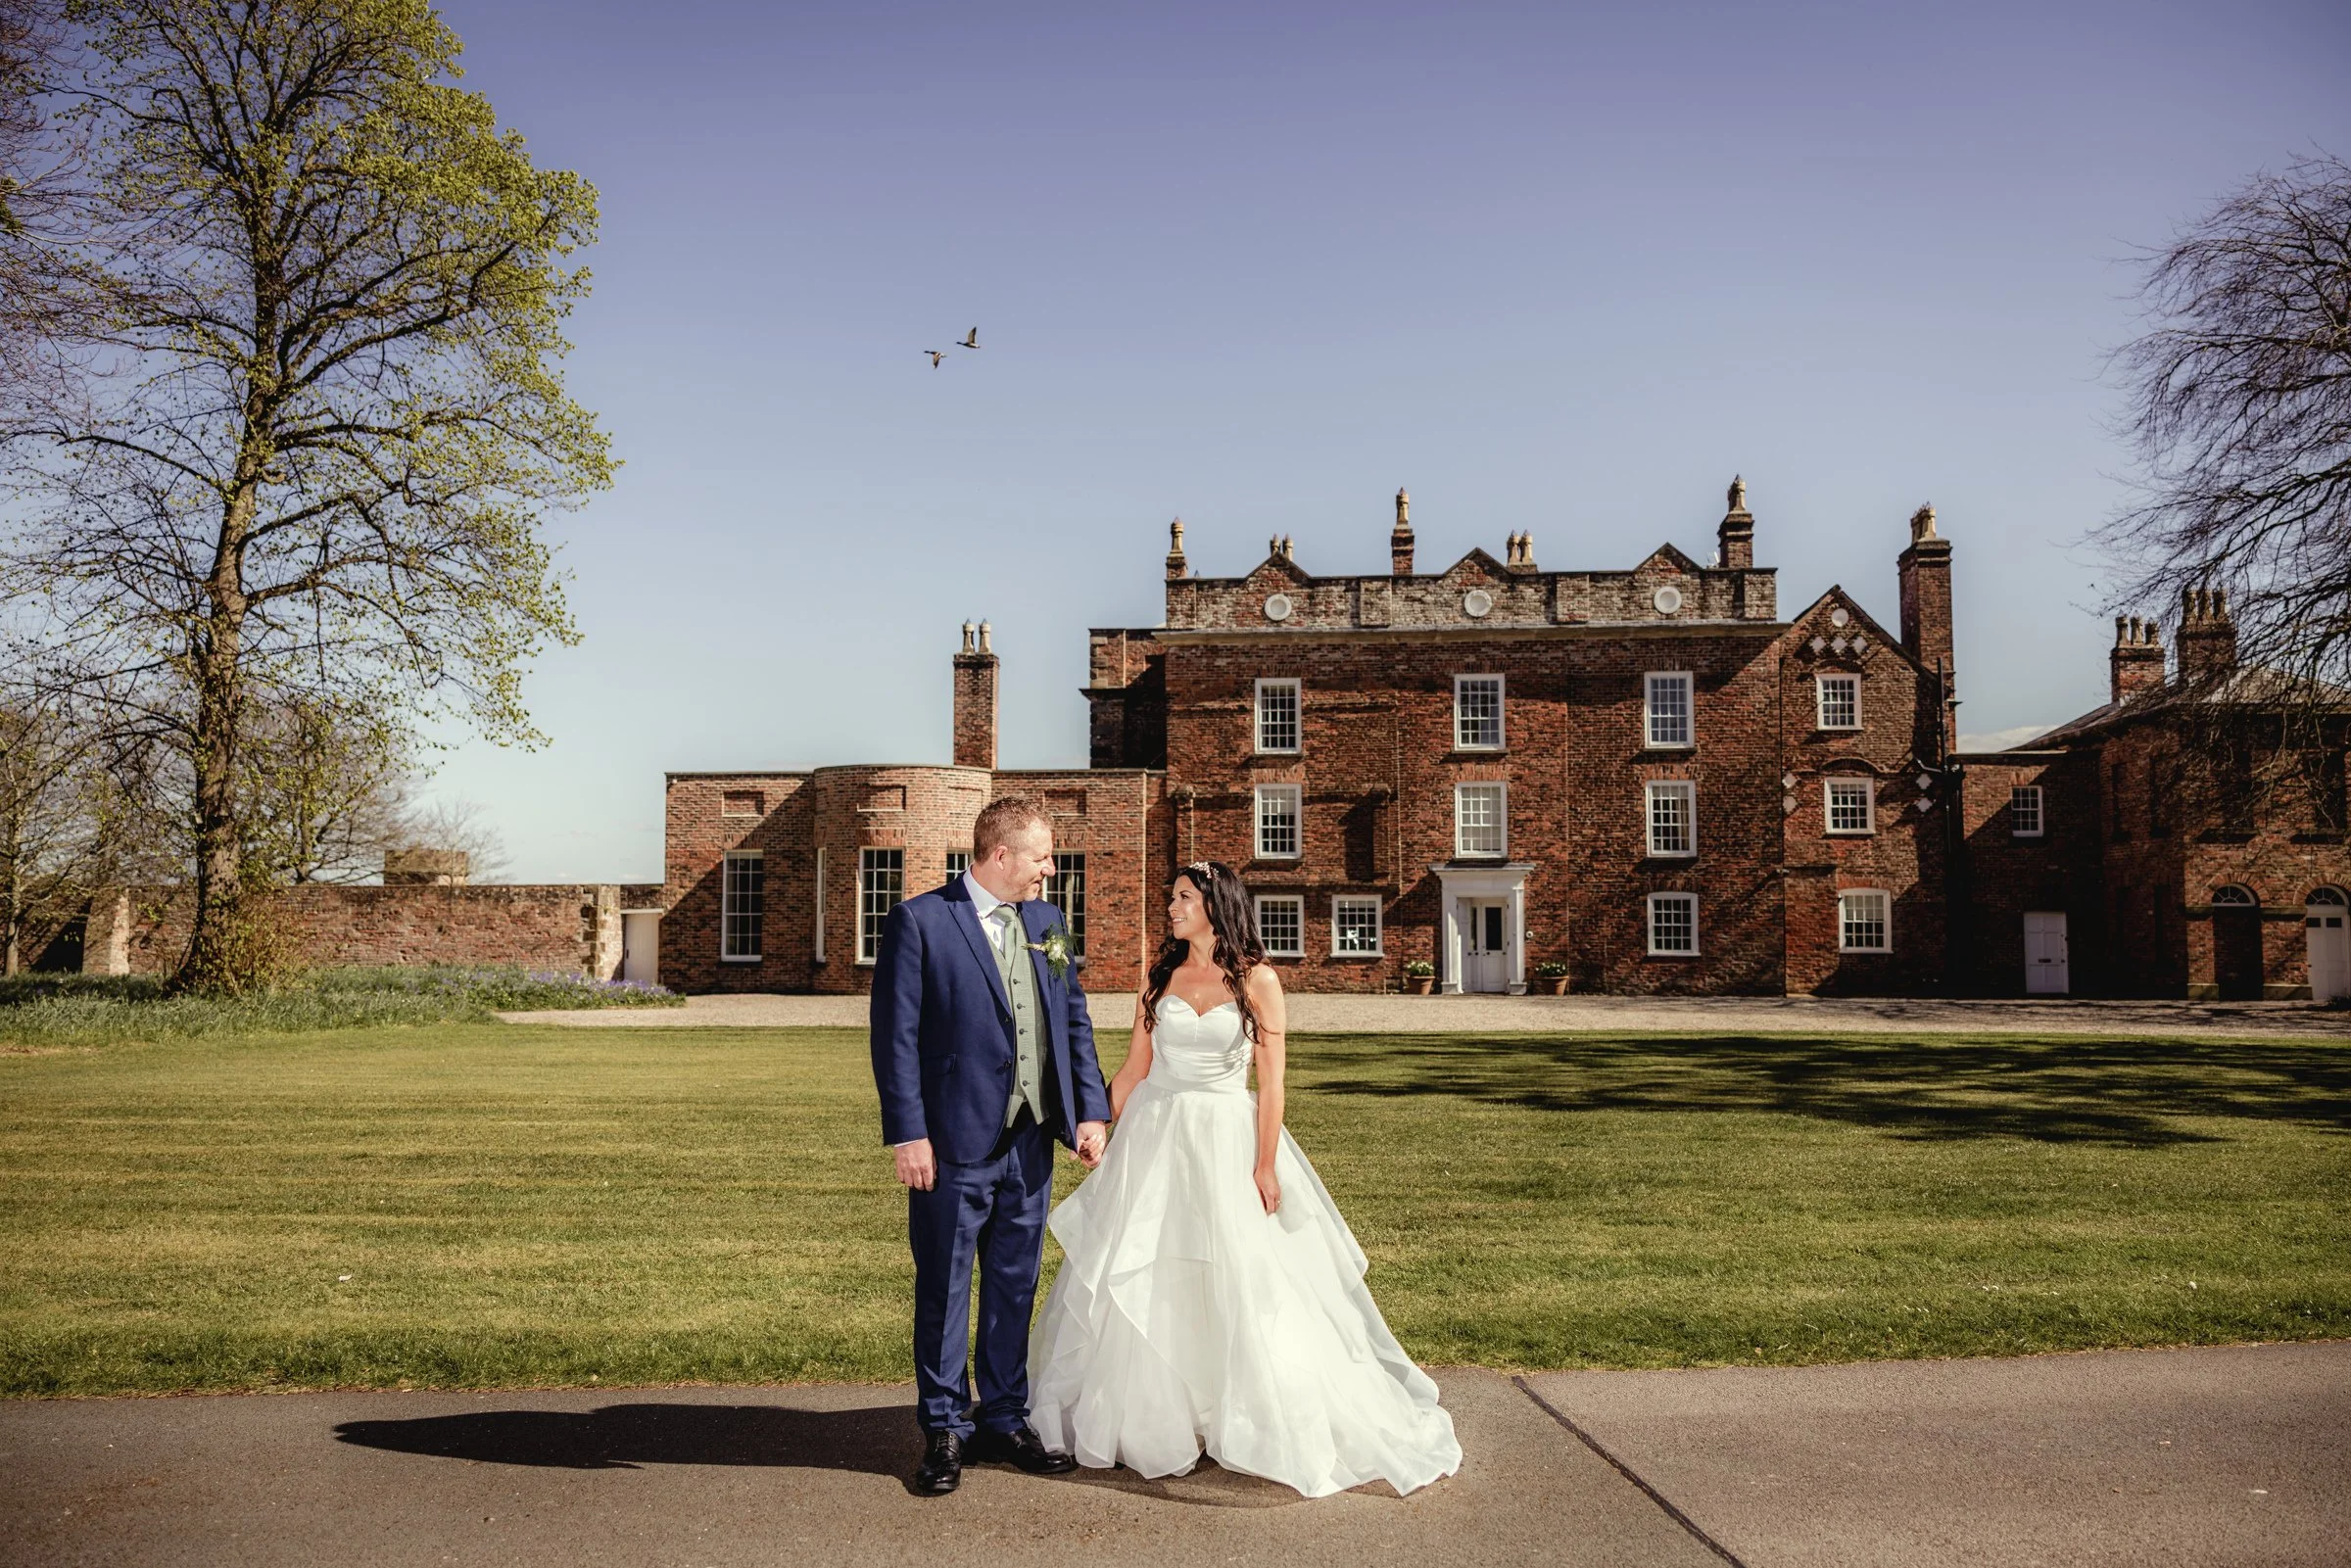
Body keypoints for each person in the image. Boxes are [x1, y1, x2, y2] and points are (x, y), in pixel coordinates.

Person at [1028, 860, 1463, 1497]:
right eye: (1171, 896)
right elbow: (1132, 1070)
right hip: (1158, 1138)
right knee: (1152, 1269)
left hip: (1228, 1138)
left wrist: (1264, 1162)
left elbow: (1272, 1080)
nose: (1171, 906)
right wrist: (1092, 1125)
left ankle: (1253, 1413)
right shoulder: (1161, 978)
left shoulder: (1259, 979)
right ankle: (1160, 1416)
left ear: (1213, 904)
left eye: (1181, 897)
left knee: (1243, 1274)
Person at [870, 795, 1111, 1497]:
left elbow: (1072, 1018)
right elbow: (897, 1041)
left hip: (1031, 1143)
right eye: (1041, 856)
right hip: (949, 1146)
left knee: (1014, 1284)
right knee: (944, 1287)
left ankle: (1003, 1417)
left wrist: (1087, 1111)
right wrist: (909, 1132)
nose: (1050, 868)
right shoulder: (921, 921)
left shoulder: (1047, 921)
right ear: (1000, 854)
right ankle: (945, 1426)